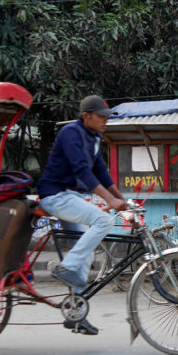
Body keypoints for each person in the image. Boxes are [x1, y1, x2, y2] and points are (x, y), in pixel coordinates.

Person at [38, 95, 127, 335]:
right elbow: (82, 171)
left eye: (107, 117)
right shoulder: (71, 133)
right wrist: (111, 201)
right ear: (86, 115)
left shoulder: (95, 137)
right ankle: (65, 266)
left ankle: (76, 315)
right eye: (101, 117)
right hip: (55, 195)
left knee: (86, 246)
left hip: (71, 197)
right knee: (102, 221)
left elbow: (100, 171)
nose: (105, 121)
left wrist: (122, 199)